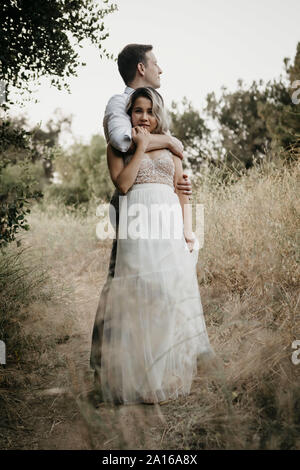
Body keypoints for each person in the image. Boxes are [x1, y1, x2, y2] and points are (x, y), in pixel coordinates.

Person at [95, 86, 215, 406]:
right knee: (140, 296)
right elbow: (123, 184)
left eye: (150, 111)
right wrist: (141, 147)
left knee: (166, 295)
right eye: (138, 111)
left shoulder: (172, 150)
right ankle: (137, 379)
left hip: (168, 227)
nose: (145, 117)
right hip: (137, 228)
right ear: (128, 113)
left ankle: (159, 375)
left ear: (157, 114)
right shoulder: (116, 148)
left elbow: (182, 192)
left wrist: (188, 231)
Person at [90, 44, 193, 387]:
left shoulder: (150, 108)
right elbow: (123, 142)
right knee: (124, 282)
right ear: (141, 67)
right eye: (156, 63)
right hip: (131, 205)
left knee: (157, 282)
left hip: (160, 206)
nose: (160, 69)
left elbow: (162, 156)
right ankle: (111, 364)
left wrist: (167, 148)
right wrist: (168, 141)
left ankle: (159, 360)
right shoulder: (118, 103)